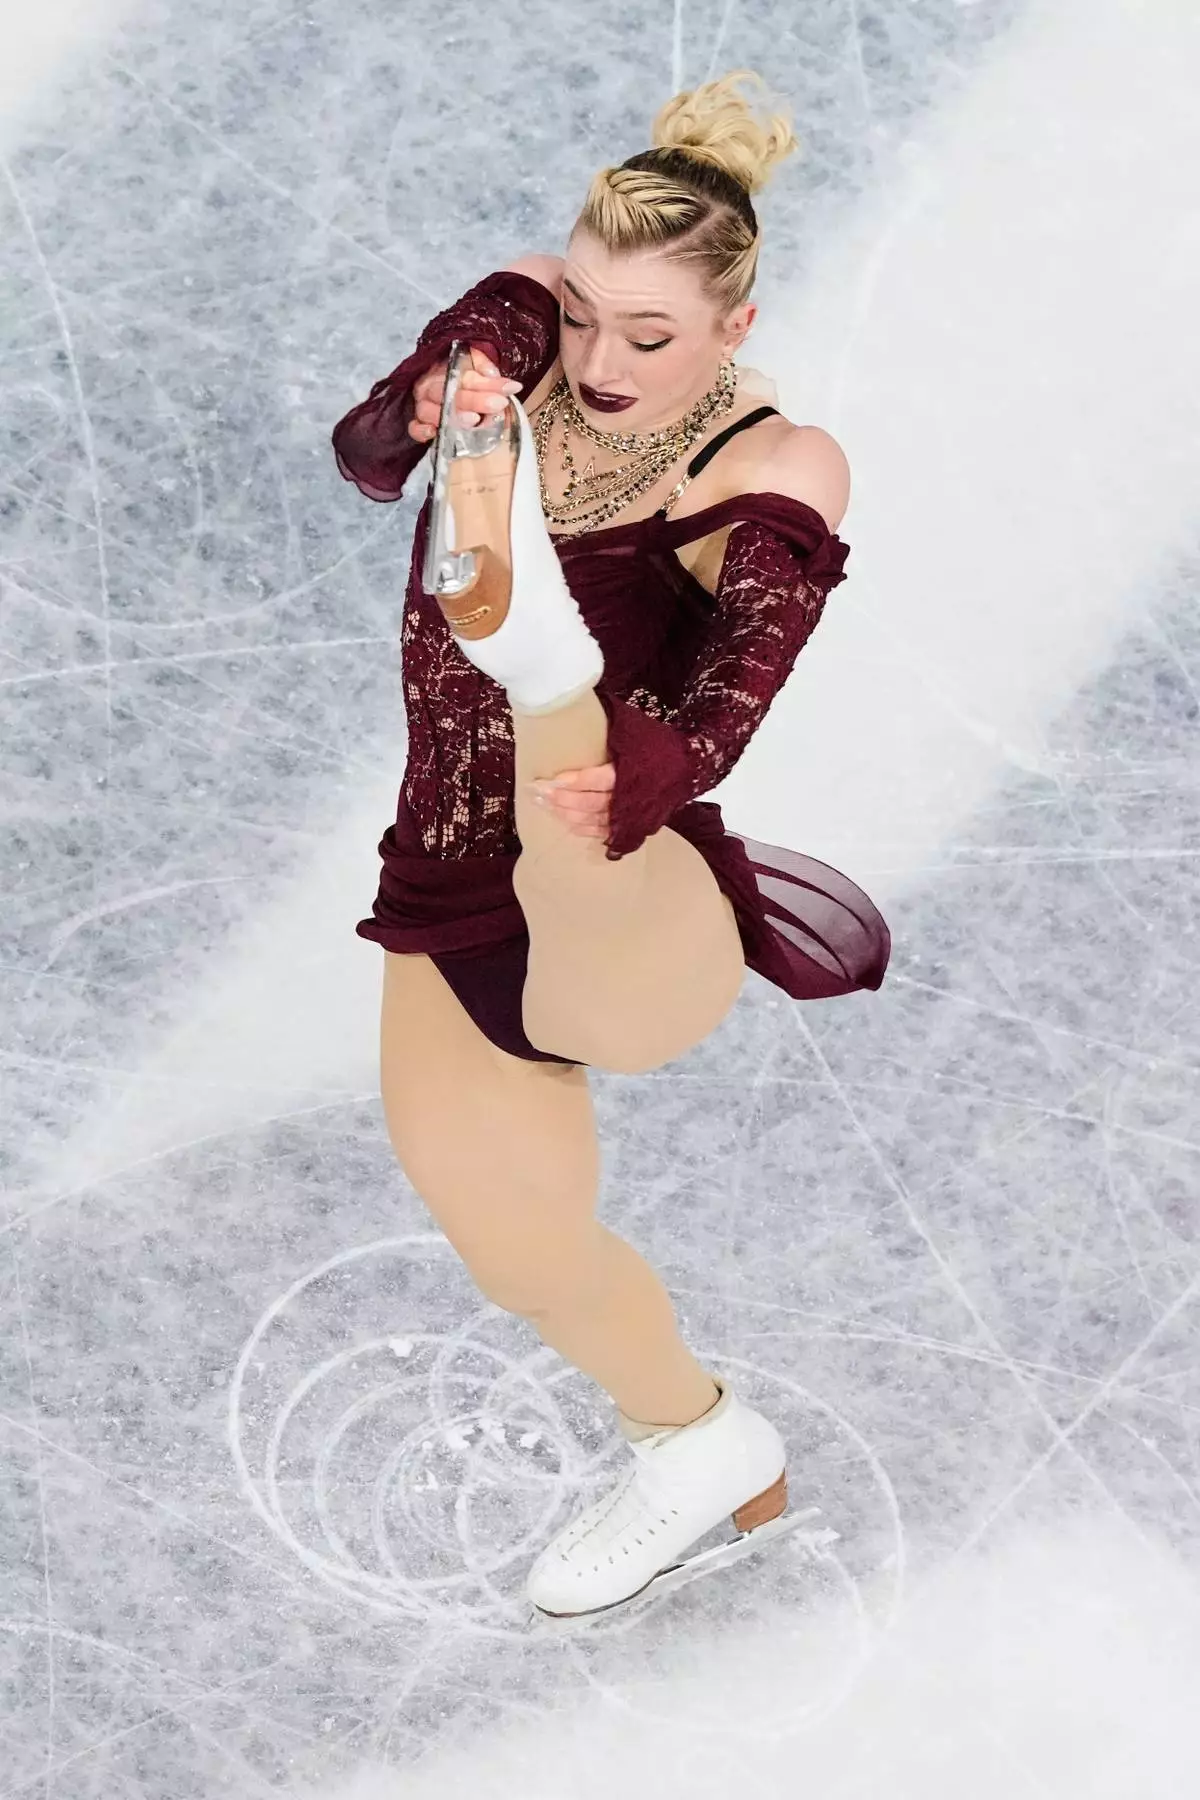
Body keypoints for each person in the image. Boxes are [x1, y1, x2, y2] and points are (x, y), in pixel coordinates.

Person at [331, 70, 890, 1621]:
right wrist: (435, 395)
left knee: (565, 796)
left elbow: (729, 703)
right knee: (516, 1252)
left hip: (628, 898)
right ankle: (701, 1444)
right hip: (447, 892)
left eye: (651, 335)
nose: (599, 359)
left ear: (735, 325)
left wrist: (645, 758)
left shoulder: (772, 464)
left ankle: (540, 658)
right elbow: (379, 437)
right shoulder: (519, 337)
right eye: (583, 317)